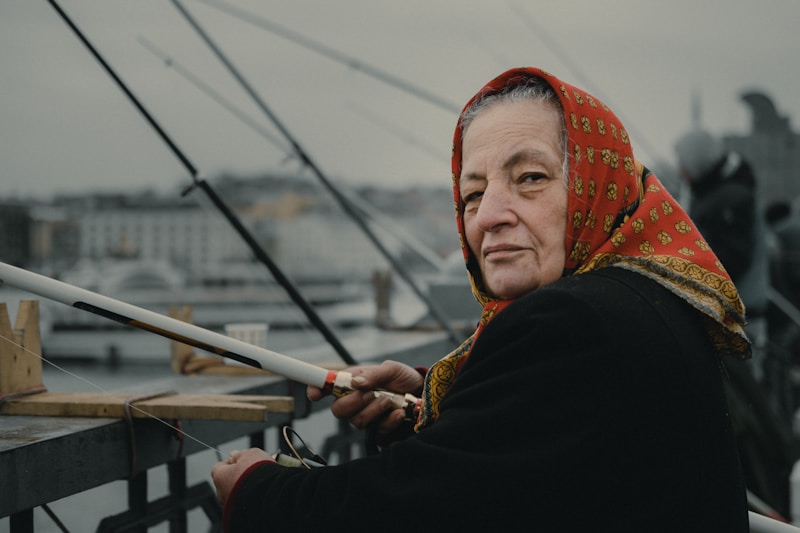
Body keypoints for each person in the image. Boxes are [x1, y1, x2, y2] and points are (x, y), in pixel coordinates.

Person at [211, 67, 751, 532]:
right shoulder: (641, 300)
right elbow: (539, 452)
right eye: (473, 193)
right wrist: (428, 405)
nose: (489, 215)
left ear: (596, 184)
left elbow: (417, 510)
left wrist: (256, 490)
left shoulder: (576, 319)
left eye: (531, 178)